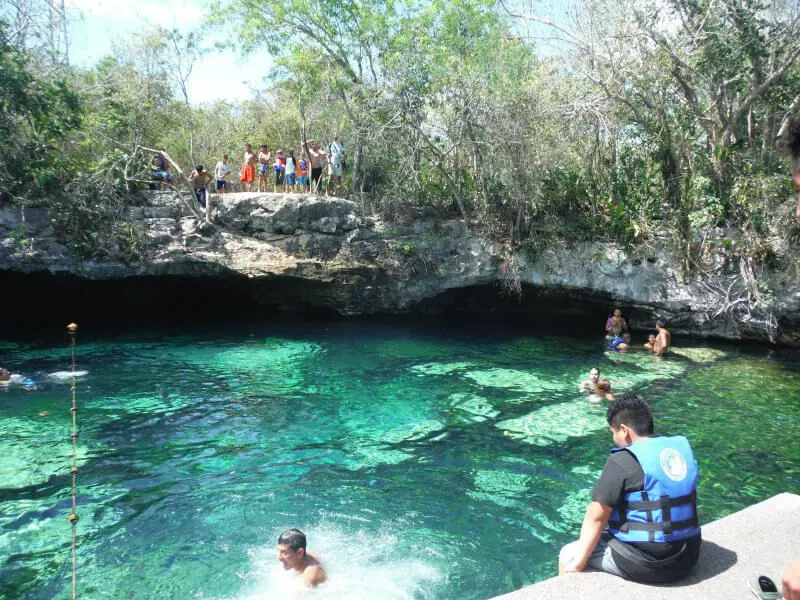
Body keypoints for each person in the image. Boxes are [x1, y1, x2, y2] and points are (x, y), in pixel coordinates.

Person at [558, 393, 701, 583]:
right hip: (689, 555)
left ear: (624, 430)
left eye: (613, 432)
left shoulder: (623, 459)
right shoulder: (677, 451)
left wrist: (578, 563)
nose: (614, 437)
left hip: (653, 565)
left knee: (568, 553)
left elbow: (596, 516)